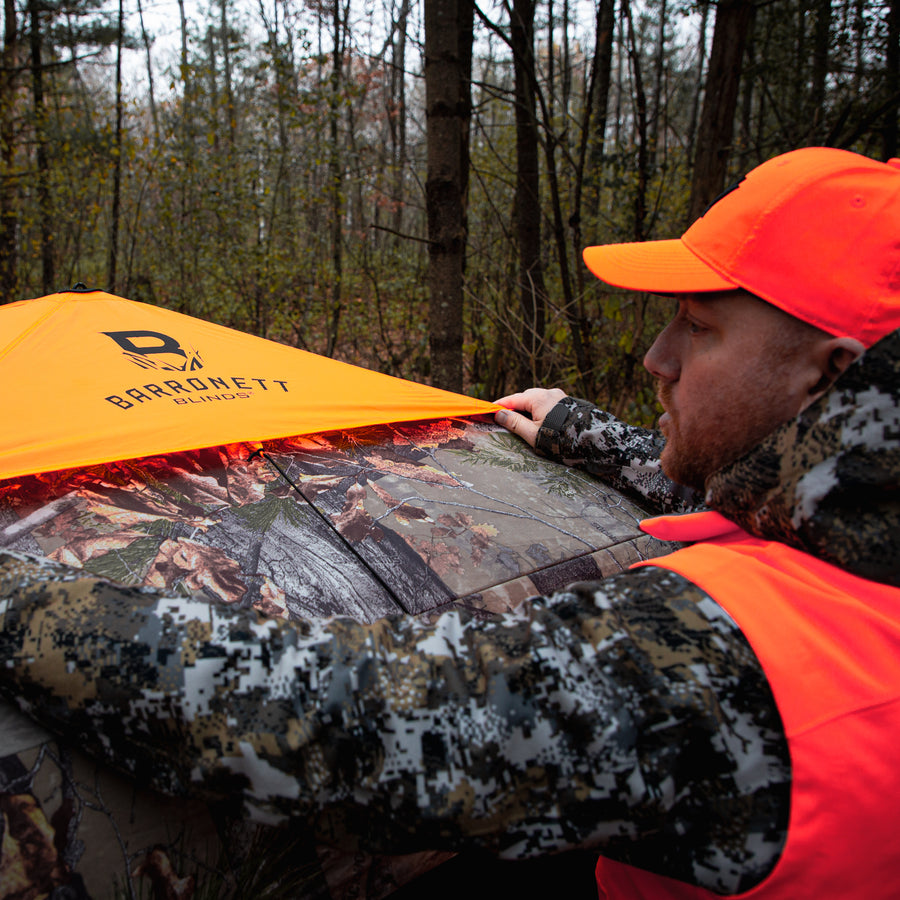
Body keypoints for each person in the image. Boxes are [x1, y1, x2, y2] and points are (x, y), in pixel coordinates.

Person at [0, 147, 897, 899]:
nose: (657, 357)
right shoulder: (856, 551)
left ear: (825, 377)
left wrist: (22, 609)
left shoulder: (713, 674)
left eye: (699, 329)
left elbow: (326, 717)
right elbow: (781, 516)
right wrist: (599, 440)